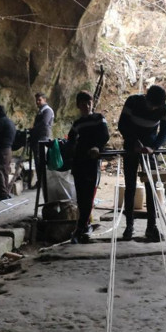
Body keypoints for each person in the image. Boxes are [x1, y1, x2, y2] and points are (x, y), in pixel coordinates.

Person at [117, 85, 166, 241]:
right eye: (151, 105)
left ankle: (151, 227)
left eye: (156, 106)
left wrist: (153, 148)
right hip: (131, 147)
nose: (153, 108)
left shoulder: (164, 109)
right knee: (130, 186)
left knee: (151, 187)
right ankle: (129, 226)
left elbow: (164, 133)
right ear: (146, 98)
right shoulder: (133, 101)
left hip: (149, 148)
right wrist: (133, 142)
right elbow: (122, 125)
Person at [68, 91, 110, 243]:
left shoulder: (99, 119)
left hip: (92, 161)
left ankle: (81, 227)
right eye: (83, 103)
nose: (86, 106)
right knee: (81, 196)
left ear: (92, 103)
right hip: (79, 162)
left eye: (89, 103)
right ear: (78, 105)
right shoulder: (77, 124)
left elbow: (105, 136)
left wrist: (97, 147)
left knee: (88, 195)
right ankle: (84, 226)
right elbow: (71, 139)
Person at [29, 92, 54, 188]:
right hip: (37, 138)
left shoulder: (47, 111)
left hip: (42, 138)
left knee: (41, 161)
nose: (37, 102)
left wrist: (33, 129)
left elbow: (44, 123)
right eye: (36, 100)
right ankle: (40, 181)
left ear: (45, 100)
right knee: (38, 161)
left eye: (39, 100)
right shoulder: (41, 111)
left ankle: (43, 182)